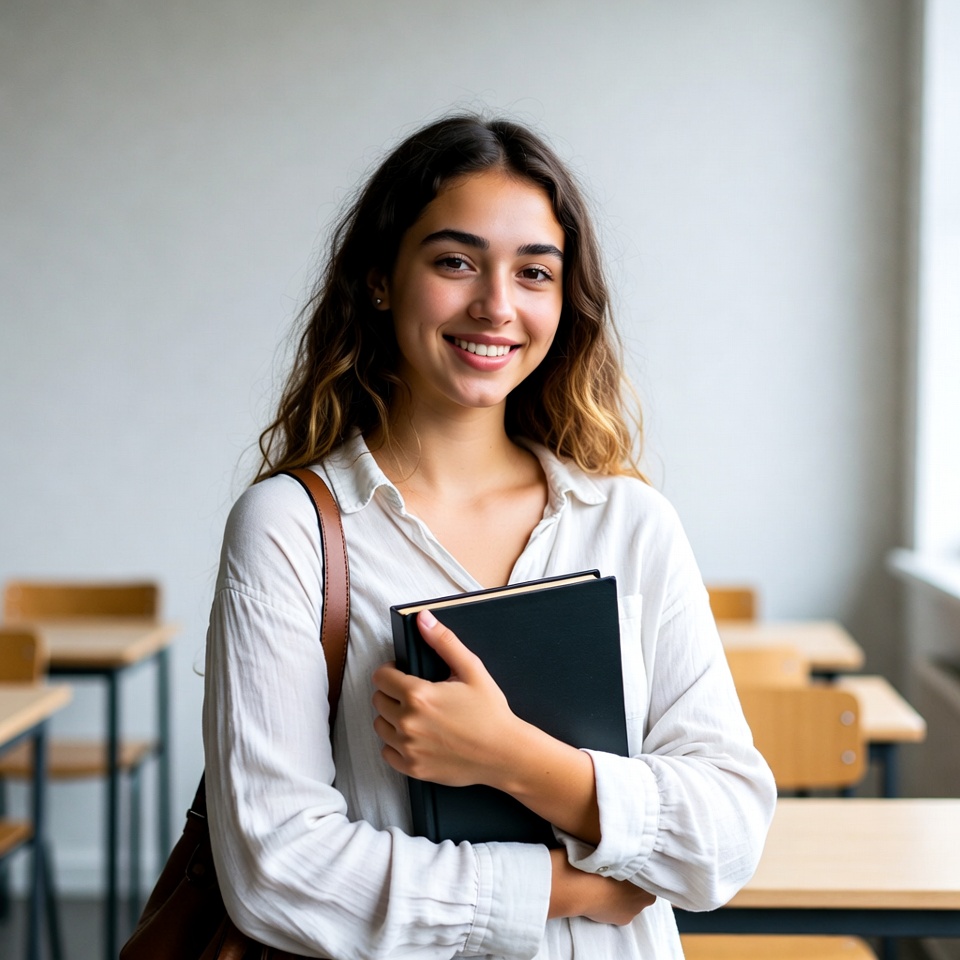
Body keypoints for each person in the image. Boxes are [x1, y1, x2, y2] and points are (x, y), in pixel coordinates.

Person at [202, 113, 776, 960]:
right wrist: (575, 887)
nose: (497, 306)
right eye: (455, 262)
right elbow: (278, 866)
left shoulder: (631, 524)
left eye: (534, 272)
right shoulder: (289, 528)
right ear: (379, 280)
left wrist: (513, 758)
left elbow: (727, 833)